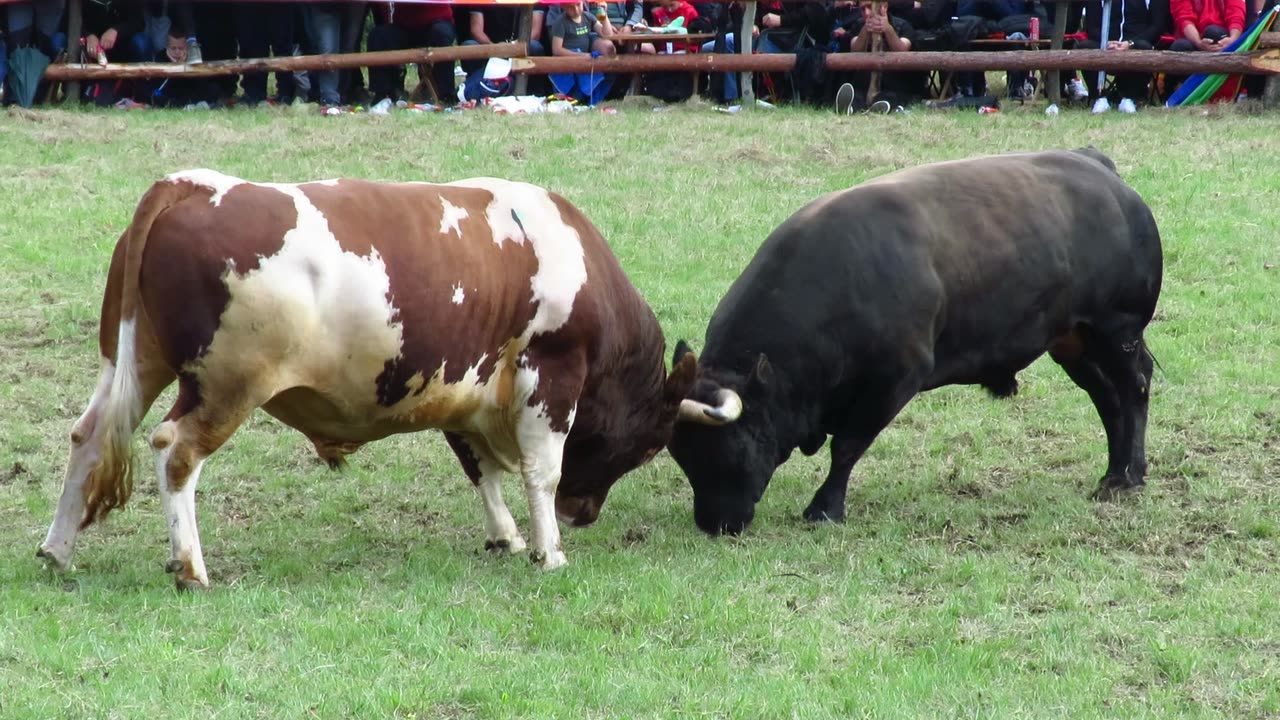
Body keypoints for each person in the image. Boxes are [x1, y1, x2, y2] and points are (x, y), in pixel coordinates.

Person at [1073, 0, 1170, 112]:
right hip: (1106, 43)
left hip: (1136, 42)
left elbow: (1157, 26)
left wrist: (1129, 43)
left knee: (1143, 47)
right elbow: (1092, 27)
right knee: (1085, 47)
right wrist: (1106, 42)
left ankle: (1130, 98)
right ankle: (1099, 97)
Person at [831, 0, 924, 112]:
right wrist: (865, 30)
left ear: (884, 6)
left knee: (888, 98)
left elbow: (902, 49)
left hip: (894, 85)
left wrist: (888, 29)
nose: (866, 12)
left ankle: (880, 107)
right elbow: (855, 49)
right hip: (864, 85)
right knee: (857, 97)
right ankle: (850, 108)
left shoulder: (902, 25)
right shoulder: (859, 25)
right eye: (863, 9)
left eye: (870, 7)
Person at [367, 1, 457, 105]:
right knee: (378, 36)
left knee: (442, 34)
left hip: (438, 22)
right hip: (404, 26)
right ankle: (383, 93)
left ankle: (446, 94)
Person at [548, 1, 615, 104]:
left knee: (610, 69)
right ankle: (575, 98)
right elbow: (557, 50)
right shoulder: (560, 22)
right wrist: (581, 55)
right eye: (571, 7)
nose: (576, 10)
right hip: (568, 61)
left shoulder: (588, 17)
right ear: (563, 6)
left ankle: (592, 98)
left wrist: (604, 17)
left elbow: (607, 34)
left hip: (584, 60)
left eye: (578, 5)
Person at [141, 24, 218, 109]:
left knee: (213, 89)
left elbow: (201, 84)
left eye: (180, 48)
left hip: (188, 92)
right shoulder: (160, 56)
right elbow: (159, 87)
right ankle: (182, 106)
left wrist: (184, 65)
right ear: (167, 47)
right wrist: (174, 67)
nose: (177, 52)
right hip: (169, 93)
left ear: (187, 47)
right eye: (173, 48)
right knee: (151, 94)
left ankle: (186, 105)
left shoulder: (193, 57)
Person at [1169, 0, 1245, 50]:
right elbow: (1184, 19)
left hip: (1222, 37)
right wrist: (1198, 43)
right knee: (1179, 47)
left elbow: (1236, 16)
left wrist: (1233, 40)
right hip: (1193, 38)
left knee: (1212, 32)